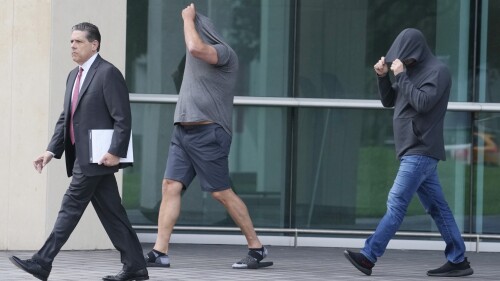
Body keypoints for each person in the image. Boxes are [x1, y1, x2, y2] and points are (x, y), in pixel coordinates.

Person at [8, 22, 149, 281]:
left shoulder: (108, 73)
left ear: (94, 44)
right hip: (83, 157)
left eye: (78, 41)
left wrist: (115, 151)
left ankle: (42, 261)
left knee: (70, 207)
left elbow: (123, 118)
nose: (72, 46)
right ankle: (136, 267)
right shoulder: (73, 75)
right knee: (112, 213)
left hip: (97, 158)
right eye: (71, 41)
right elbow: (66, 118)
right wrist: (51, 151)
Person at [143, 3, 272, 270]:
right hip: (183, 131)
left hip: (208, 132)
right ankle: (159, 251)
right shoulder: (193, 59)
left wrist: (187, 18)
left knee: (221, 193)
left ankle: (257, 248)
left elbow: (195, 48)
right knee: (170, 186)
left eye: (191, 29)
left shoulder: (224, 53)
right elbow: (186, 60)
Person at [343, 28, 474, 277]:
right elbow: (389, 101)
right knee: (438, 208)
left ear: (417, 50)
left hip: (421, 149)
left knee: (396, 202)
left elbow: (423, 103)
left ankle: (368, 257)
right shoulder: (409, 71)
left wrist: (402, 76)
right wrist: (383, 77)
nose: (402, 62)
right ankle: (458, 260)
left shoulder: (438, 71)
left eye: (405, 58)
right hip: (411, 149)